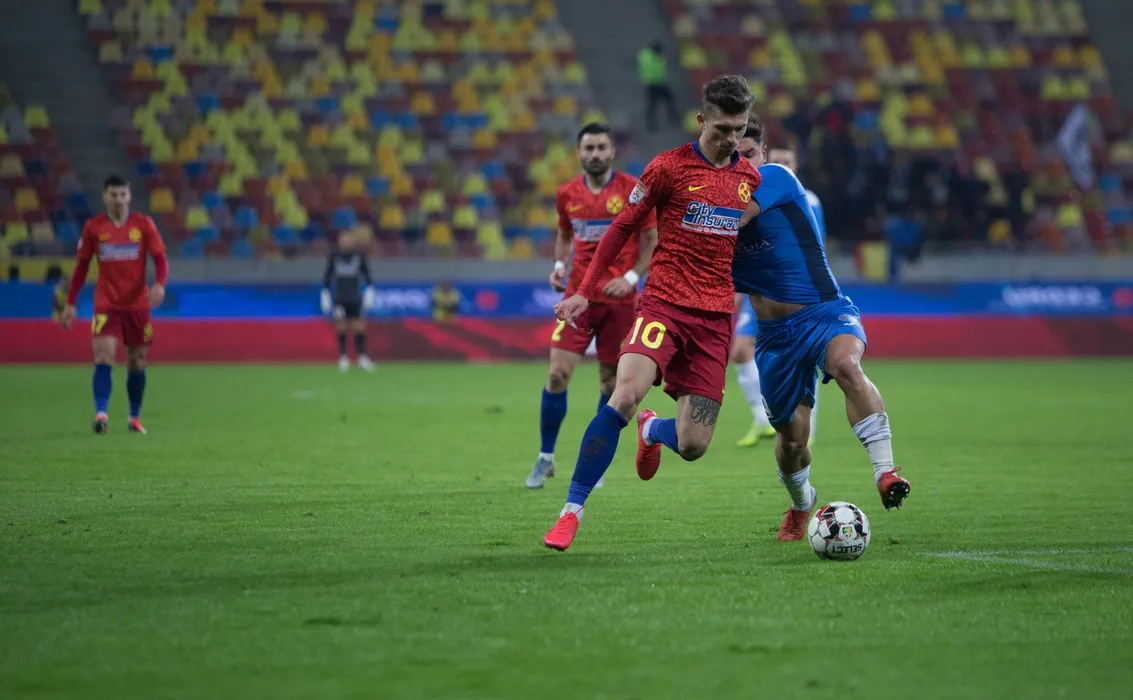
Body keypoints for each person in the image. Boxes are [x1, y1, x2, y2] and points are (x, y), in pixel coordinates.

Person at [544, 75, 761, 551]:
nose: (731, 139)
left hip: (714, 319)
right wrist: (585, 291)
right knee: (623, 396)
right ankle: (571, 512)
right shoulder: (668, 167)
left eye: (740, 129)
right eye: (723, 128)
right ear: (701, 120)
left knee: (693, 445)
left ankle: (652, 429)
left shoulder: (749, 179)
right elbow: (621, 228)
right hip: (663, 304)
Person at [730, 115, 910, 542]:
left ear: (764, 154)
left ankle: (885, 472)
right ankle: (801, 502)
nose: (744, 164)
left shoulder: (775, 178)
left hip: (824, 312)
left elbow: (729, 219)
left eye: (749, 154)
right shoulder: (717, 203)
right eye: (733, 157)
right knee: (793, 441)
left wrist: (691, 208)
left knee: (846, 364)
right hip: (775, 338)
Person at [526, 122, 658, 490]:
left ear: (612, 151)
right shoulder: (567, 193)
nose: (595, 154)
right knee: (556, 375)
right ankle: (546, 457)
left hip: (620, 301)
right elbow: (564, 234)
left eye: (601, 147)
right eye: (589, 148)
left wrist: (631, 278)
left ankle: (593, 463)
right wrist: (559, 265)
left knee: (610, 382)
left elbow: (653, 240)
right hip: (578, 300)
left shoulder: (633, 190)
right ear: (579, 153)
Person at [731, 140, 827, 447]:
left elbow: (814, 246)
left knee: (805, 356)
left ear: (796, 166)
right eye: (778, 161)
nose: (782, 166)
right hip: (760, 287)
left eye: (788, 162)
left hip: (795, 288)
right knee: (740, 350)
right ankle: (762, 420)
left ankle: (806, 430)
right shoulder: (753, 196)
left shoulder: (807, 199)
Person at [60, 175, 168, 435]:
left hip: (137, 305)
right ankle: (101, 415)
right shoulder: (93, 228)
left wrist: (160, 284)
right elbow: (82, 266)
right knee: (104, 355)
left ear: (129, 196)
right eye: (113, 194)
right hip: (106, 304)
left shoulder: (144, 225)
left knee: (137, 361)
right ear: (104, 197)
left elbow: (160, 258)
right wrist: (71, 302)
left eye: (122, 194)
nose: (118, 200)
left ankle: (134, 418)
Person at [320, 231, 375, 371]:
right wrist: (325, 292)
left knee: (359, 326)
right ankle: (343, 357)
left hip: (355, 296)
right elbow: (328, 275)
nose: (346, 242)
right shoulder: (334, 256)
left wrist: (370, 290)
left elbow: (366, 273)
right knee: (342, 326)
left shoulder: (358, 255)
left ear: (352, 241)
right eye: (343, 240)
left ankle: (361, 356)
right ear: (339, 242)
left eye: (348, 240)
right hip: (340, 297)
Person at [637, 42, 680, 133]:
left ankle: (672, 117)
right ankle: (653, 122)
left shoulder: (651, 56)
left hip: (659, 83)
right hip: (652, 84)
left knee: (666, 100)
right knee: (654, 105)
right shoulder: (650, 57)